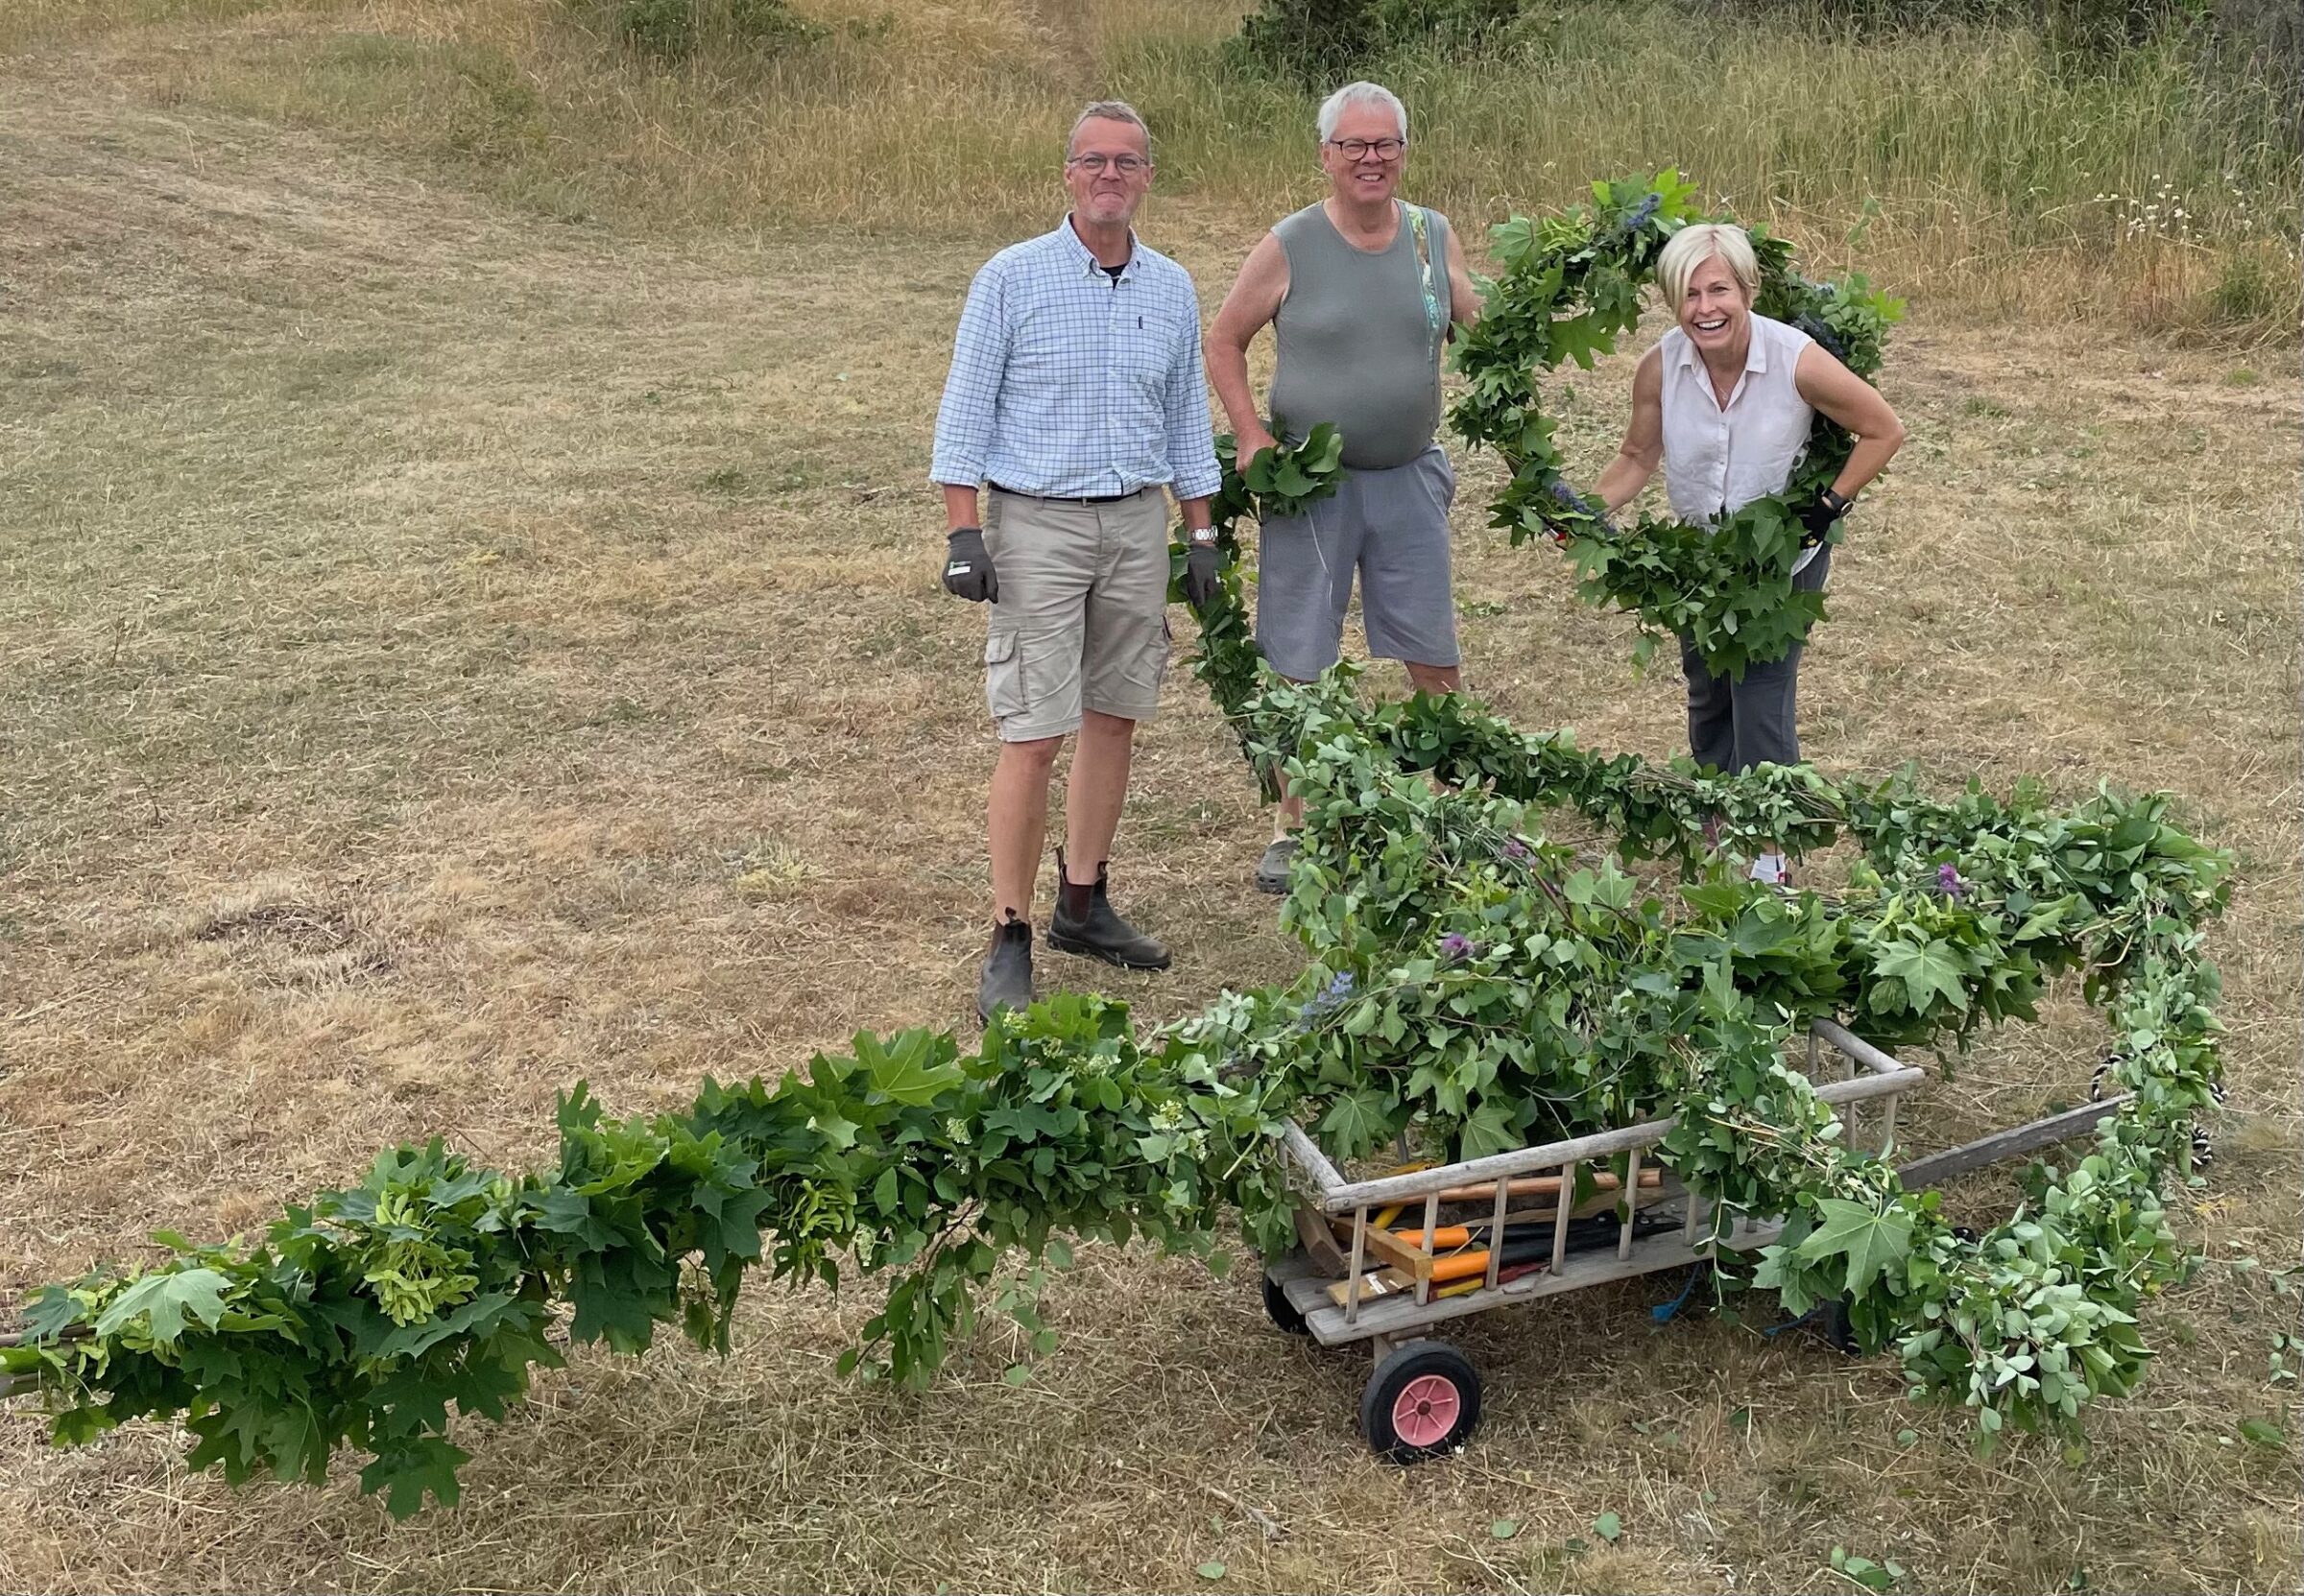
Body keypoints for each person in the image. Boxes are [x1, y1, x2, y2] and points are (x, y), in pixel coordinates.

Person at [929, 100, 1225, 1022]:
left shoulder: (1171, 287)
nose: (1110, 176)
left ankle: (1083, 902)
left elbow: (1185, 419)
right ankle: (1010, 932)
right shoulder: (1012, 278)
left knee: (1115, 715)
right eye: (1093, 161)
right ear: (1068, 173)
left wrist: (1201, 532)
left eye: (1126, 162)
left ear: (1147, 178)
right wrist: (964, 533)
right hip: (1038, 527)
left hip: (1135, 522)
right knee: (1032, 729)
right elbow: (964, 411)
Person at [1205, 80, 1481, 894]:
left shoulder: (1431, 235)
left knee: (1432, 649)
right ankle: (1294, 823)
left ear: (1404, 152)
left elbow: (1479, 324)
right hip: (1312, 486)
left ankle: (1449, 805)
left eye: (1386, 143)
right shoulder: (1291, 243)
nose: (1371, 158)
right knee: (1298, 651)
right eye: (1354, 145)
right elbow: (1224, 340)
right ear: (1326, 155)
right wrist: (1251, 434)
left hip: (1409, 475)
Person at [1594, 222, 1908, 884]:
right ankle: (1719, 820)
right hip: (1699, 566)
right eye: (1689, 294)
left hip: (1777, 568)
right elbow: (1636, 456)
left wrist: (1828, 506)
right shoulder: (1660, 367)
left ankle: (1771, 858)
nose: (1705, 308)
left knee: (1760, 701)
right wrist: (1580, 513)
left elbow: (1883, 428)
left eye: (1719, 290)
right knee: (1709, 694)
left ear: (1748, 290)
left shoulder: (1795, 360)